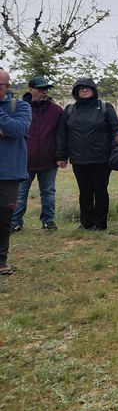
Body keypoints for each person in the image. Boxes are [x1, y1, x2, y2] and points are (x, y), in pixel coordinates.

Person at [56, 78, 118, 231]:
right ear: (76, 91)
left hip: (101, 158)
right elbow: (61, 134)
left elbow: (115, 131)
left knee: (100, 190)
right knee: (84, 191)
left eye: (87, 88)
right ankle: (86, 223)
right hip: (78, 158)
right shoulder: (70, 110)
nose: (84, 90)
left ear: (94, 90)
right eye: (80, 88)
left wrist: (114, 152)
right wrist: (61, 155)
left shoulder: (105, 108)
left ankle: (100, 224)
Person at [11, 77, 64, 232]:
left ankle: (48, 221)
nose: (44, 92)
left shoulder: (56, 111)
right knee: (20, 194)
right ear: (31, 89)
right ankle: (15, 221)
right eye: (41, 89)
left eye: (46, 89)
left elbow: (60, 135)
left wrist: (61, 156)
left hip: (48, 159)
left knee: (48, 193)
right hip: (24, 160)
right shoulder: (19, 108)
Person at [0, 69, 32, 275]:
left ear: (7, 86)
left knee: (3, 218)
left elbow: (19, 129)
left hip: (9, 172)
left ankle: (1, 260)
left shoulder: (20, 106)